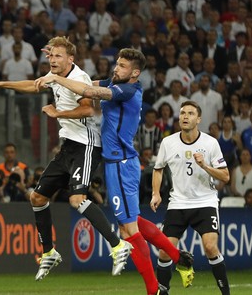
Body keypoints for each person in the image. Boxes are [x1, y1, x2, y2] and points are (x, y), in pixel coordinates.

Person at [35, 48, 194, 295]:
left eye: (122, 66)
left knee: (128, 230)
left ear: (135, 73)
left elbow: (89, 91)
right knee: (133, 222)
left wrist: (56, 78)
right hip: (115, 163)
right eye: (117, 63)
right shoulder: (117, 82)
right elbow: (84, 81)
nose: (116, 68)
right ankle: (179, 258)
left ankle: (155, 290)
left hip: (121, 163)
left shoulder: (127, 90)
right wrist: (59, 65)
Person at [0, 37, 133, 281]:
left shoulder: (79, 79)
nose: (52, 60)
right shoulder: (54, 77)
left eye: (57, 56)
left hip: (86, 145)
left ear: (70, 59)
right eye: (50, 56)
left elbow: (88, 109)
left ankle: (118, 245)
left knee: (77, 198)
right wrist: (2, 84)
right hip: (68, 146)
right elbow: (34, 85)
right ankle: (48, 252)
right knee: (37, 197)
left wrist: (58, 113)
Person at [151, 101, 231, 294]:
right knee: (164, 251)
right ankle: (164, 291)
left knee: (210, 247)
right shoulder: (168, 143)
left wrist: (205, 166)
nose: (185, 116)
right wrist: (156, 193)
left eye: (190, 113)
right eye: (183, 113)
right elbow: (158, 169)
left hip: (205, 202)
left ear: (199, 119)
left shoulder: (210, 143)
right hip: (178, 203)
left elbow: (225, 176)